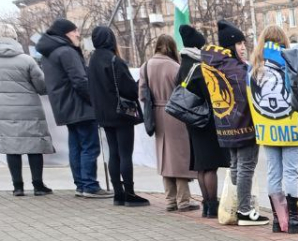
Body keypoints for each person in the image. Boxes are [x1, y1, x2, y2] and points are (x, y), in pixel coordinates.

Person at [200, 19, 265, 225]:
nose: (243, 47)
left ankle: (239, 206)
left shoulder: (217, 64)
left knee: (237, 166)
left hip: (226, 125)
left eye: (244, 43)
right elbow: (249, 93)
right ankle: (245, 211)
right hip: (243, 124)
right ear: (230, 45)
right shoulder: (236, 68)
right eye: (239, 43)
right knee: (246, 166)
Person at [36, 18, 108, 198]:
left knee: (76, 146)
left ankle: (81, 185)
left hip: (65, 107)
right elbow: (80, 80)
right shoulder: (67, 51)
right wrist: (94, 101)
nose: (78, 34)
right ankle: (90, 185)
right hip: (80, 107)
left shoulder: (49, 52)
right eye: (75, 31)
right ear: (66, 33)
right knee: (89, 147)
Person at [0, 23, 54, 197]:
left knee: (11, 146)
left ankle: (18, 187)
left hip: (3, 108)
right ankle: (38, 186)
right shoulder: (26, 59)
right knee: (34, 145)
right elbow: (41, 85)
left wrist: (0, 91)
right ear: (14, 37)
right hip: (29, 106)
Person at [249, 24, 298, 232]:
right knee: (291, 173)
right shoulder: (290, 59)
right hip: (290, 127)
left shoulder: (254, 65)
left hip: (267, 129)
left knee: (273, 173)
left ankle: (277, 220)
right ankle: (294, 219)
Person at [87, 26, 148, 206]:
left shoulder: (92, 60)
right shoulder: (114, 60)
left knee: (113, 153)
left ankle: (118, 193)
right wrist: (140, 82)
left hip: (103, 114)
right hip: (121, 113)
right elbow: (129, 90)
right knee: (125, 154)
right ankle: (130, 193)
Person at [141, 34, 197, 212]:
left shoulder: (146, 66)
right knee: (180, 157)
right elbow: (185, 92)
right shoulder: (175, 66)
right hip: (176, 114)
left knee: (164, 157)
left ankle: (170, 200)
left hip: (156, 114)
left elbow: (142, 94)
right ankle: (183, 201)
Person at [176, 25, 227, 218]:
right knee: (210, 165)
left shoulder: (183, 64)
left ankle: (206, 204)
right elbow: (210, 94)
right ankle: (212, 205)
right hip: (204, 120)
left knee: (201, 165)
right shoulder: (199, 67)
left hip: (191, 120)